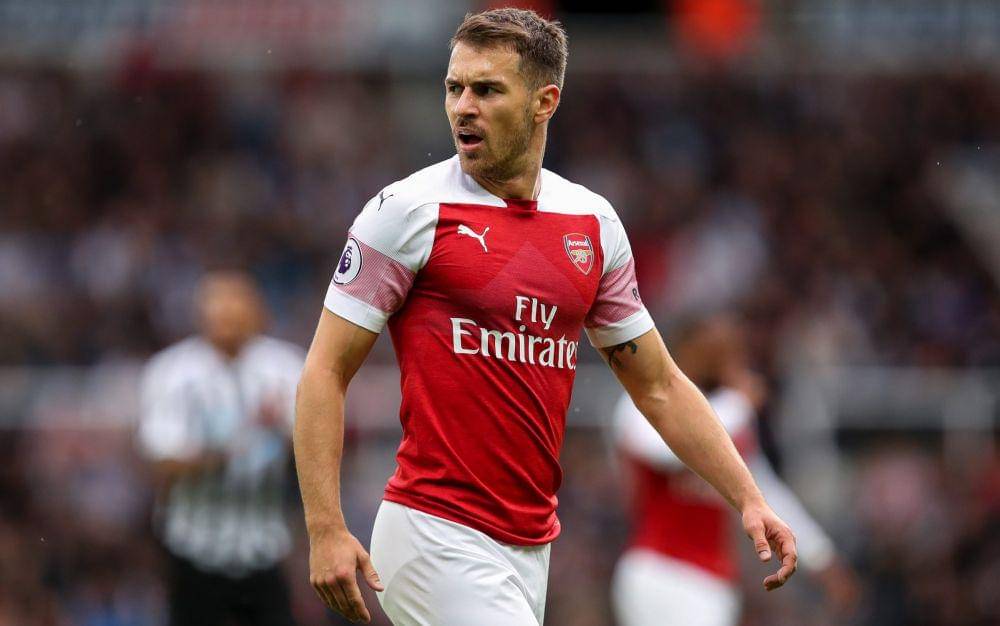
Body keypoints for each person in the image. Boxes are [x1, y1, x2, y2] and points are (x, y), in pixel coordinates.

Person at [294, 8, 799, 625]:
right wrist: (325, 526)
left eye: (487, 90)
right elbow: (325, 369)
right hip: (434, 531)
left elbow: (660, 386)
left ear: (544, 101)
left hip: (531, 545)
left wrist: (748, 498)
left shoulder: (592, 223)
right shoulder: (407, 211)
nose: (463, 107)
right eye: (454, 88)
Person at [611, 314, 859, 626]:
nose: (729, 363)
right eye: (717, 351)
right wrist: (739, 403)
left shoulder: (731, 422)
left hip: (712, 582)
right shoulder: (639, 404)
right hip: (657, 570)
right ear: (684, 350)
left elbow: (766, 495)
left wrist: (821, 558)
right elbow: (667, 450)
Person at [136, 271, 304, 626]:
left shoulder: (287, 367)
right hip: (194, 545)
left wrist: (281, 428)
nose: (227, 313)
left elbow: (319, 448)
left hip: (265, 542)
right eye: (218, 303)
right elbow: (161, 460)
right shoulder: (172, 372)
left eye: (236, 302)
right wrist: (230, 450)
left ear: (258, 310)